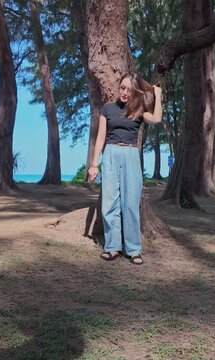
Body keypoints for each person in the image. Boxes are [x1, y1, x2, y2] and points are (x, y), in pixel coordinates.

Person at [87, 73, 162, 265]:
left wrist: (158, 96)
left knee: (130, 204)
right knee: (109, 203)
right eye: (122, 88)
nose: (125, 93)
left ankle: (133, 250)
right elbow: (101, 137)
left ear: (134, 92)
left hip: (131, 155)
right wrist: (94, 164)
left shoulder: (139, 110)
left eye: (129, 89)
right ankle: (112, 247)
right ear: (118, 87)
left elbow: (156, 119)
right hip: (110, 154)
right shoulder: (108, 108)